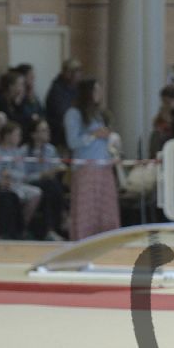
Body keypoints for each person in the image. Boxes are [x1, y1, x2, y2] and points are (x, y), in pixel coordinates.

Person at [63, 79, 120, 240]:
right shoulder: (73, 114)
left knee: (105, 209)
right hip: (86, 167)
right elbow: (72, 142)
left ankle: (106, 239)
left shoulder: (97, 114)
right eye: (95, 90)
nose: (99, 94)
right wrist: (93, 135)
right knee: (86, 209)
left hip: (103, 165)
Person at [45, 59, 83, 150]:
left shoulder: (77, 88)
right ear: (67, 73)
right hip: (59, 134)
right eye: (76, 71)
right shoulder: (57, 90)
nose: (79, 75)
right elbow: (62, 112)